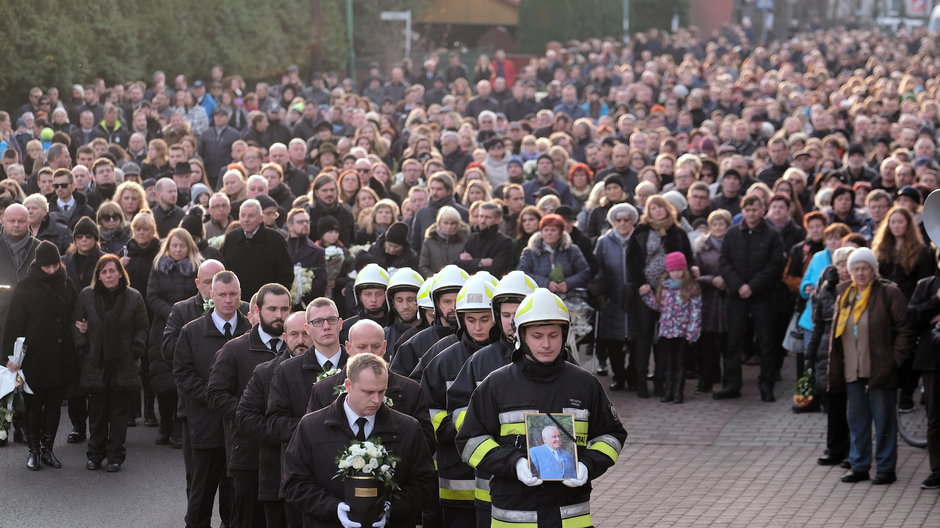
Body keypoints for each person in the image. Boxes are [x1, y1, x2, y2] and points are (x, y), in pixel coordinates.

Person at [455, 288, 626, 528]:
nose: (546, 344)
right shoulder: (496, 384)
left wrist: (588, 465)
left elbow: (612, 436)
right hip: (514, 515)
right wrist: (514, 463)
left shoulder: (585, 384)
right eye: (537, 335)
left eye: (553, 335)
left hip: (570, 514)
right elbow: (470, 440)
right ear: (522, 336)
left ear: (564, 334)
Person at [282, 353, 437, 528]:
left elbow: (425, 484)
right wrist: (334, 508)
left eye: (382, 391)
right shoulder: (311, 427)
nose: (377, 400)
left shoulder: (408, 428)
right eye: (368, 392)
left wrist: (392, 509)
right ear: (348, 385)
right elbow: (293, 484)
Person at [208, 282, 293, 528]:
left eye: (285, 309)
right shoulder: (234, 349)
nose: (279, 315)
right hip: (248, 452)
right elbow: (215, 394)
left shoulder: (298, 348)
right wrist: (254, 420)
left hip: (287, 453)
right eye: (272, 309)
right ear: (257, 310)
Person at [173, 270, 250, 528]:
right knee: (200, 497)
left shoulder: (251, 330)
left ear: (240, 295)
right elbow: (182, 375)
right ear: (211, 296)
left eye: (233, 294)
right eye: (222, 295)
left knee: (235, 499)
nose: (228, 300)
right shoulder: (191, 332)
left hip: (240, 430)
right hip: (205, 426)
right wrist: (215, 397)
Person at [830, 248, 913, 485]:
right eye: (855, 269)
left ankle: (886, 468)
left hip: (880, 368)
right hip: (852, 369)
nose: (860, 272)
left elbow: (904, 330)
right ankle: (859, 465)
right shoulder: (845, 293)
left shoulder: (889, 293)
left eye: (864, 268)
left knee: (884, 420)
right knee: (856, 420)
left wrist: (893, 360)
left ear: (873, 270)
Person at [421, 275, 499, 527]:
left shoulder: (510, 358)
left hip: (499, 478)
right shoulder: (444, 359)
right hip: (457, 477)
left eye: (484, 319)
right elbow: (425, 410)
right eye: (471, 320)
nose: (477, 327)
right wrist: (456, 429)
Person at [72, 254, 149, 472]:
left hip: (124, 364)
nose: (108, 275)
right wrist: (83, 348)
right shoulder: (86, 296)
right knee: (96, 415)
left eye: (112, 270)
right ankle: (94, 455)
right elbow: (76, 324)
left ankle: (115, 456)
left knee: (118, 415)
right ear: (98, 275)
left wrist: (137, 348)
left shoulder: (134, 297)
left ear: (120, 273)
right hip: (95, 364)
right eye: (104, 271)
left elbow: (143, 327)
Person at [3, 241, 76, 470]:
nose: (52, 270)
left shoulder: (67, 283)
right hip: (34, 356)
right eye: (47, 266)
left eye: (55, 265)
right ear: (39, 264)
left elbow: (74, 312)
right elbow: (14, 322)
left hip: (61, 354)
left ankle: (48, 449)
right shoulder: (25, 286)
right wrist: (8, 356)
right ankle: (33, 450)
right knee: (34, 406)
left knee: (54, 406)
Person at [235, 310, 311, 528]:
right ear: (285, 338)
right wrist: (292, 431)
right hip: (276, 472)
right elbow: (245, 417)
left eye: (305, 334)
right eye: (294, 335)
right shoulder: (266, 372)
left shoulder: (333, 371)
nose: (301, 341)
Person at [717, 195, 786, 402]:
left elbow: (775, 265)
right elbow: (724, 262)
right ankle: (731, 385)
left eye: (755, 210)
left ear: (762, 210)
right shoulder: (731, 234)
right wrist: (739, 285)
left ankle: (766, 385)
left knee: (766, 342)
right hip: (736, 296)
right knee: (733, 342)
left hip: (763, 296)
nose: (751, 214)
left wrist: (752, 286)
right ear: (742, 211)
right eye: (747, 210)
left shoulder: (773, 235)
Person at [626, 195, 693, 398]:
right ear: (648, 211)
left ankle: (662, 381)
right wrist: (640, 284)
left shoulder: (678, 232)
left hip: (670, 293)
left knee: (664, 337)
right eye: (653, 208)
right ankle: (641, 380)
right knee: (644, 335)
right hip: (646, 291)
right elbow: (632, 261)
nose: (658, 211)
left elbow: (687, 258)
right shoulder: (641, 231)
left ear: (668, 209)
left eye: (661, 207)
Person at [147, 228, 202, 442]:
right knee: (163, 380)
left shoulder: (197, 268)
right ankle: (165, 425)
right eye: (174, 245)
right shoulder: (158, 267)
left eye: (182, 246)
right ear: (167, 247)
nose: (178, 250)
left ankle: (180, 428)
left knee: (184, 380)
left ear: (189, 247)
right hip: (163, 329)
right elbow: (152, 296)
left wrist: (186, 315)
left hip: (191, 328)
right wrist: (173, 313)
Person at [810, 247, 855, 469]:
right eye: (840, 264)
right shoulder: (826, 289)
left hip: (852, 350)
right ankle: (834, 448)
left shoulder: (860, 289)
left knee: (852, 404)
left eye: (848, 264)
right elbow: (817, 323)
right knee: (833, 402)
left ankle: (852, 450)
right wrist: (811, 352)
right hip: (828, 351)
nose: (844, 269)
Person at [640, 252, 702, 404]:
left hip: (682, 333)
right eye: (673, 270)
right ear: (668, 271)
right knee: (668, 362)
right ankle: (668, 391)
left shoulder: (691, 288)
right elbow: (658, 305)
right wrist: (647, 295)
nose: (676, 273)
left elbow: (696, 311)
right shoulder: (664, 287)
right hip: (667, 332)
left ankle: (678, 392)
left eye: (679, 270)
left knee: (680, 362)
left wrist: (692, 332)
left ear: (684, 270)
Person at [389, 264, 468, 377]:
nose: (453, 307)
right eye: (447, 302)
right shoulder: (413, 344)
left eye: (458, 300)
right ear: (437, 303)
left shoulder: (480, 339)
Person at [593, 203, 639, 390]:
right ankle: (618, 376)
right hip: (612, 296)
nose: (622, 223)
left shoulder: (639, 238)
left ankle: (633, 374)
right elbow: (597, 268)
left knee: (636, 337)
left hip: (636, 296)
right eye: (618, 220)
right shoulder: (604, 241)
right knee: (613, 339)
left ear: (632, 220)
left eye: (626, 219)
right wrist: (599, 292)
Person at [909, 253, 940, 489]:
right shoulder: (926, 285)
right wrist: (934, 302)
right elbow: (913, 318)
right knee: (935, 417)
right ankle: (937, 470)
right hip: (932, 361)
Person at [692, 209, 732, 394]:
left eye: (721, 223)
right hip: (707, 299)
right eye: (714, 224)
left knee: (728, 342)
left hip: (728, 298)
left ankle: (728, 379)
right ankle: (706, 378)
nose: (718, 227)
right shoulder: (701, 246)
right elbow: (695, 275)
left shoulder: (733, 245)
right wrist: (711, 280)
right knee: (707, 343)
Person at [223, 199, 294, 301]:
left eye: (251, 216)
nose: (246, 219)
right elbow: (226, 270)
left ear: (261, 218)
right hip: (237, 301)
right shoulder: (231, 238)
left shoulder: (275, 239)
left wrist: (276, 299)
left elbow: (285, 274)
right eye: (243, 215)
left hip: (267, 302)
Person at [518, 213, 590, 293]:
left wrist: (568, 283)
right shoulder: (529, 252)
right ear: (541, 232)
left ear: (560, 233)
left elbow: (584, 272)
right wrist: (546, 283)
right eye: (546, 230)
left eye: (553, 230)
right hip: (538, 294)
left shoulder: (572, 250)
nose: (549, 233)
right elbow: (523, 274)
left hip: (570, 294)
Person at [285, 208, 328, 308]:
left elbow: (321, 280)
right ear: (290, 226)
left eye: (307, 221)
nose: (305, 224)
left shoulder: (318, 251)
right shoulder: (281, 248)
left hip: (307, 304)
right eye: (300, 222)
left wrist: (303, 295)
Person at [457, 201, 513, 277]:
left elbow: (496, 270)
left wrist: (470, 263)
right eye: (481, 216)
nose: (482, 221)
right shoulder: (471, 238)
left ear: (497, 219)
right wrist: (480, 262)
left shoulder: (505, 242)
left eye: (487, 217)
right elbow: (458, 265)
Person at [339, 262, 390, 344]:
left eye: (379, 294)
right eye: (368, 294)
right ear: (359, 297)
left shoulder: (396, 327)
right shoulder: (345, 329)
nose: (373, 299)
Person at [383, 268, 427, 356]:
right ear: (393, 303)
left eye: (410, 300)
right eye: (399, 300)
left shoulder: (431, 335)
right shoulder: (383, 336)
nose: (405, 306)